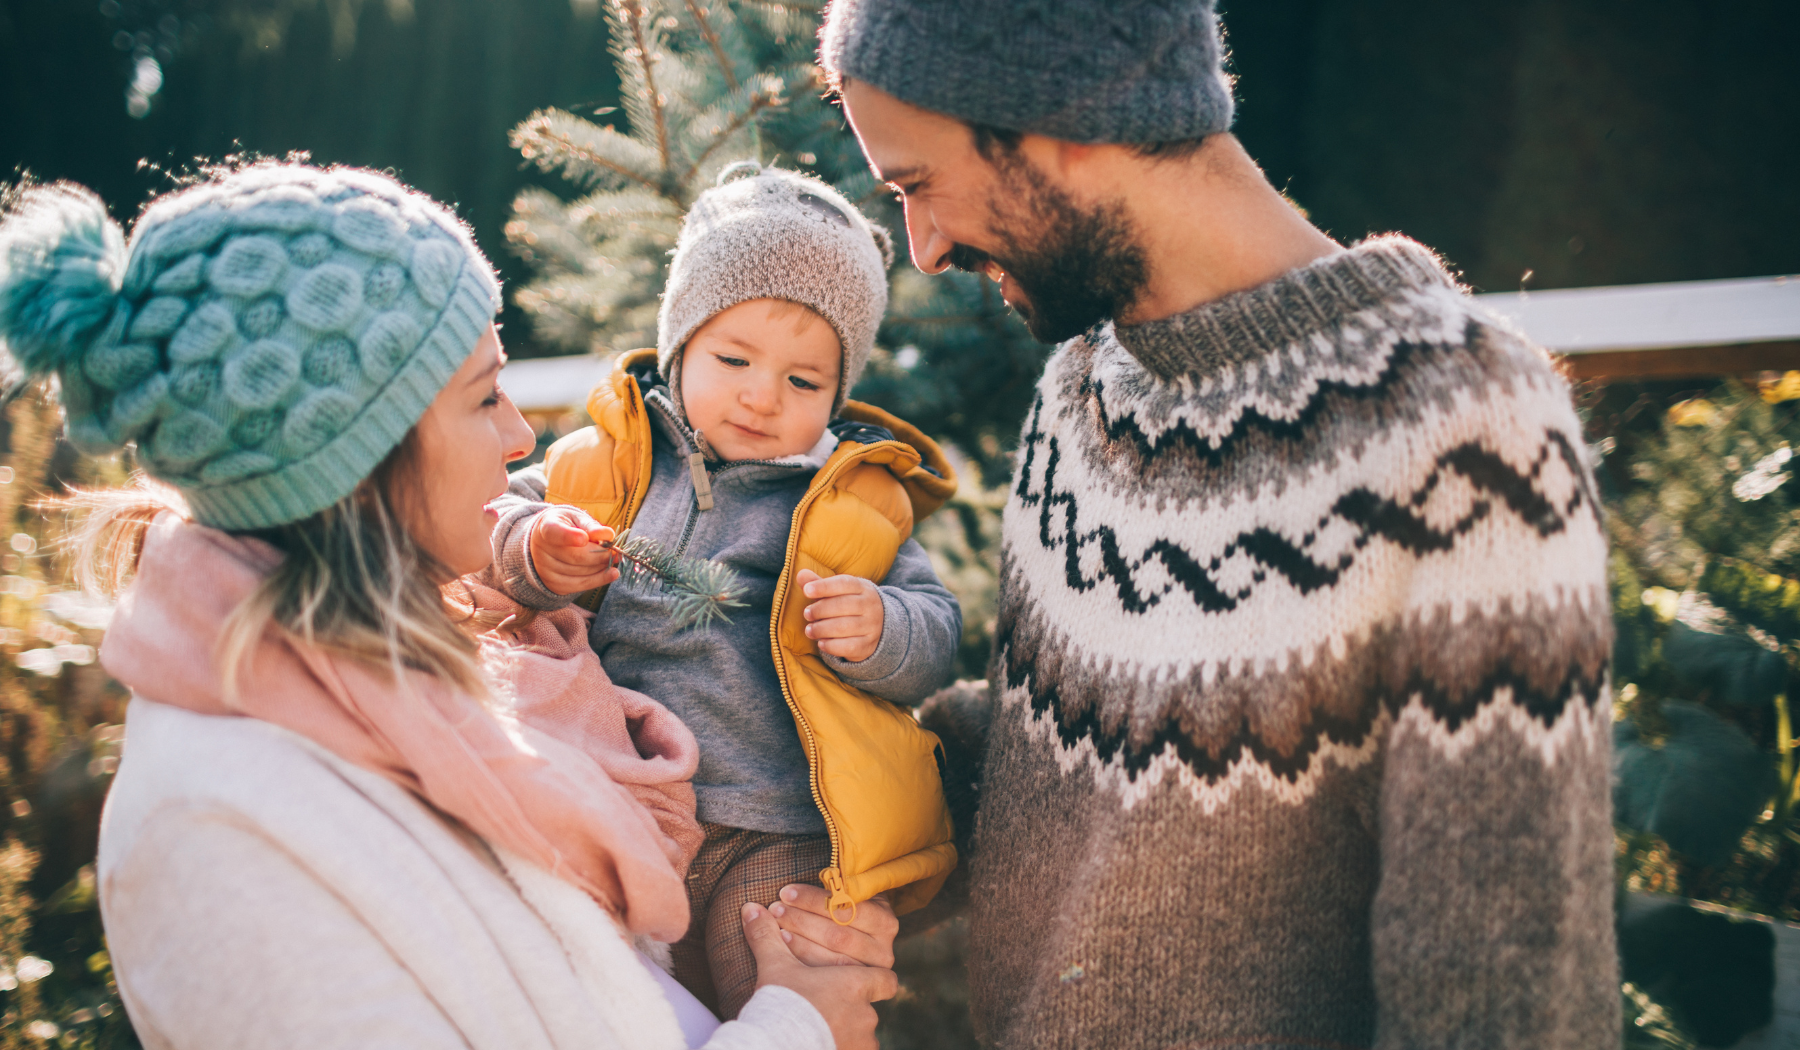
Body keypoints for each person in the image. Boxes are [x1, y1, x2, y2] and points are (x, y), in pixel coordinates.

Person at [820, 2, 1619, 1048]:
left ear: (1060, 114)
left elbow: (1505, 989)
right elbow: (1034, 772)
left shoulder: (1464, 425)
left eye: (916, 184)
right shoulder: (1085, 389)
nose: (922, 250)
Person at [0, 162, 899, 1050]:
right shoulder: (214, 839)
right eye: (483, 396)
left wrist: (801, 955)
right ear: (358, 461)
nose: (521, 435)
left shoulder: (444, 667)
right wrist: (797, 1025)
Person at [488, 163, 962, 1020]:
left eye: (803, 381)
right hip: (613, 802)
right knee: (602, 1011)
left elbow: (935, 632)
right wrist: (534, 551)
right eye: (733, 358)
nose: (760, 395)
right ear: (679, 349)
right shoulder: (603, 463)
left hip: (776, 827)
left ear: (839, 389)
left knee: (788, 993)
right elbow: (491, 521)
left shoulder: (855, 501)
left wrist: (881, 627)